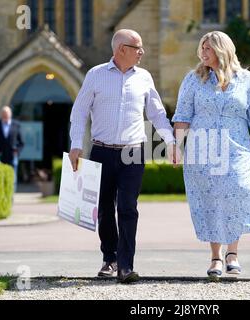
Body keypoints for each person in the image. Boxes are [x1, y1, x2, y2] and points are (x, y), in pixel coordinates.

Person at [69, 29, 177, 284]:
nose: (142, 52)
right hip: (101, 150)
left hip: (133, 152)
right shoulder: (95, 75)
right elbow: (80, 112)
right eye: (137, 47)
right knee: (105, 208)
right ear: (121, 50)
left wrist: (172, 141)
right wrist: (76, 145)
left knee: (128, 208)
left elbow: (157, 114)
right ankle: (110, 258)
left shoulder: (144, 77)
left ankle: (126, 266)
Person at [172, 31, 250, 279]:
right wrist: (176, 146)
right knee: (210, 200)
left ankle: (233, 252)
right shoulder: (193, 79)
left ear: (222, 50)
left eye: (207, 48)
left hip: (236, 148)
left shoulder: (247, 80)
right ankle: (217, 256)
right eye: (202, 48)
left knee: (237, 191)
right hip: (201, 149)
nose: (202, 53)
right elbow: (183, 115)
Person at [0, 106, 24, 192]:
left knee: (13, 179)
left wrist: (17, 151)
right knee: (0, 178)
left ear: (10, 115)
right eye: (4, 115)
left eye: (7, 115)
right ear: (1, 115)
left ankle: (11, 198)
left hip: (12, 156)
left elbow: (21, 142)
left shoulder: (16, 125)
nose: (5, 117)